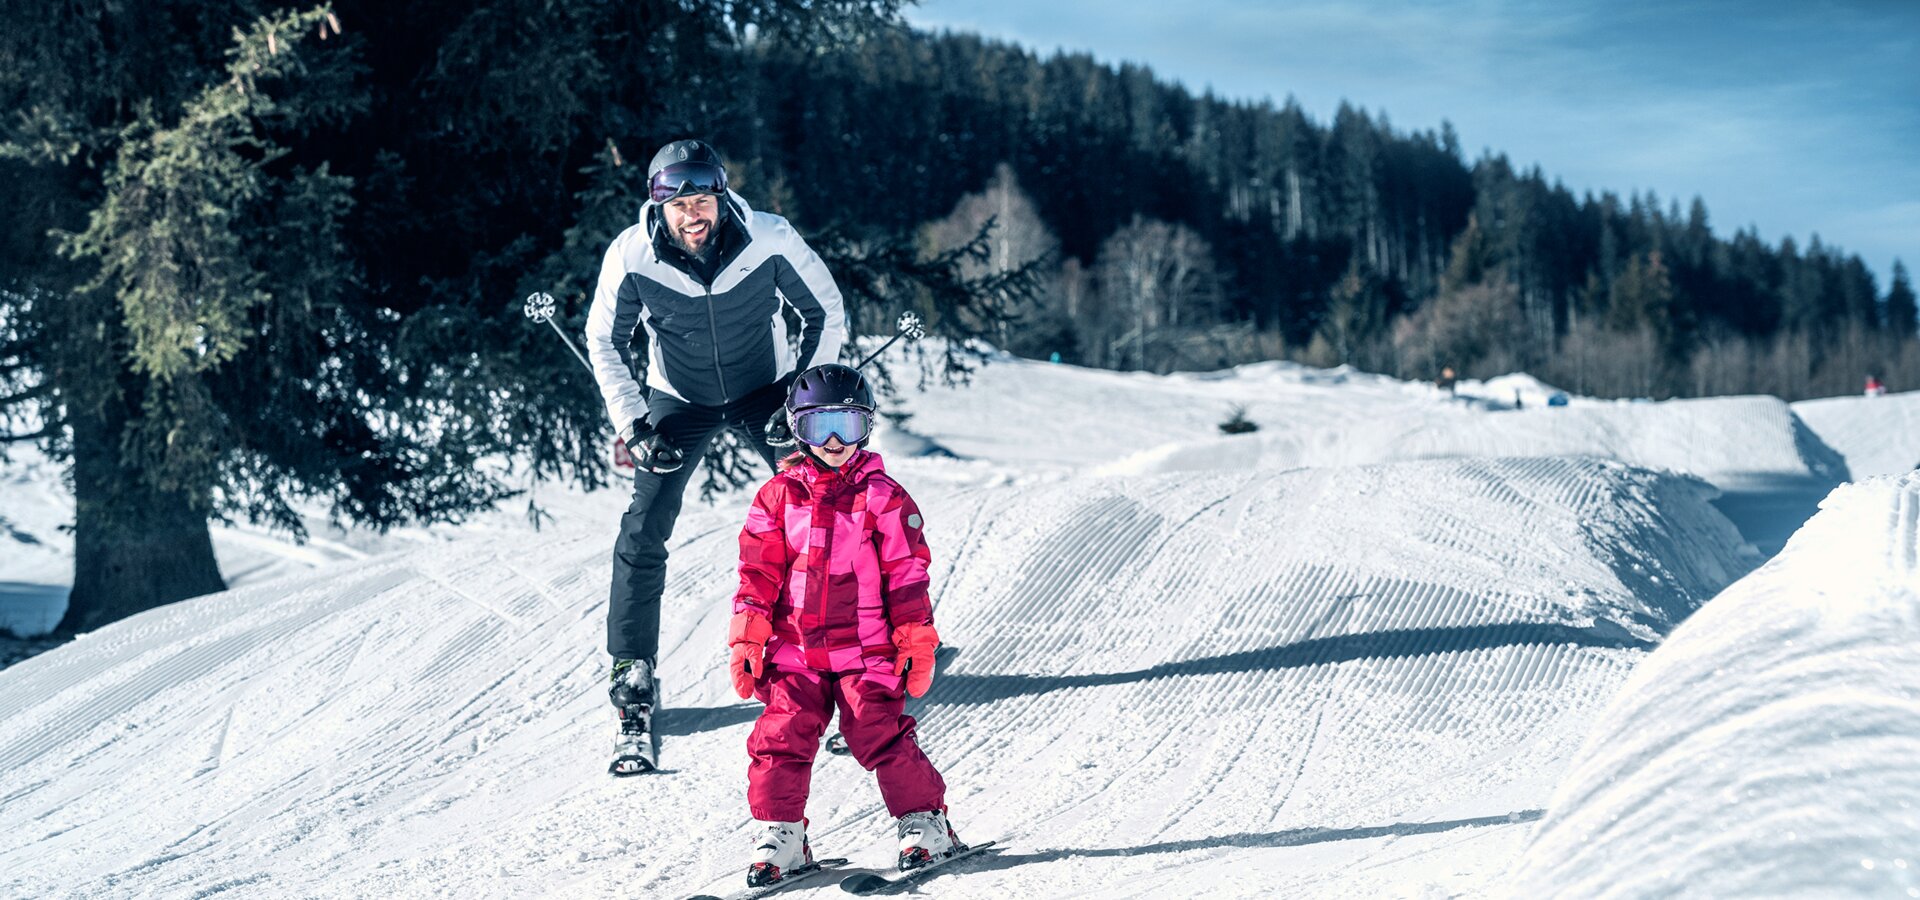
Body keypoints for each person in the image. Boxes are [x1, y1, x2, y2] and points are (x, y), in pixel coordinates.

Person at [585, 139, 847, 775]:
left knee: (828, 514)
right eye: (677, 205)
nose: (691, 215)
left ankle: (861, 659)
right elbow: (605, 339)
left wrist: (803, 404)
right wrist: (636, 423)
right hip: (680, 398)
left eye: (701, 200)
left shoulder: (769, 238)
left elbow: (823, 311)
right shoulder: (633, 254)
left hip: (769, 394)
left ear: (721, 195)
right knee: (644, 527)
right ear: (658, 207)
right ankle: (633, 676)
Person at [726, 364, 964, 887]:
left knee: (878, 732)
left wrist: (915, 636)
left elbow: (907, 574)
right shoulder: (777, 497)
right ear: (795, 429)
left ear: (868, 427)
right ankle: (781, 832)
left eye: (848, 426)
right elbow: (757, 573)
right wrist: (749, 633)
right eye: (819, 427)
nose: (834, 441)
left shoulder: (885, 497)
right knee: (780, 737)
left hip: (867, 651)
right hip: (795, 653)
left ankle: (925, 821)